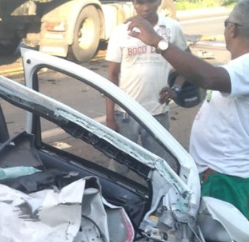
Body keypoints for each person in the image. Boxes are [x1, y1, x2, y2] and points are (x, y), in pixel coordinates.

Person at [127, 0, 249, 218]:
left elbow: (209, 77)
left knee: (218, 239)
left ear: (232, 29)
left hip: (225, 180)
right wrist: (178, 89)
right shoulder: (239, 67)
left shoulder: (246, 65)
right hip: (218, 175)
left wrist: (158, 42)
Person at [105, 0, 188, 155]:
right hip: (125, 114)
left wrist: (176, 88)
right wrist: (110, 117)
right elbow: (112, 75)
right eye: (140, 3)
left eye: (150, 1)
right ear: (133, 3)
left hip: (158, 114)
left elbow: (188, 63)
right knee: (120, 164)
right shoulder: (120, 32)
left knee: (158, 165)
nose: (145, 8)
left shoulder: (172, 28)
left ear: (159, 2)